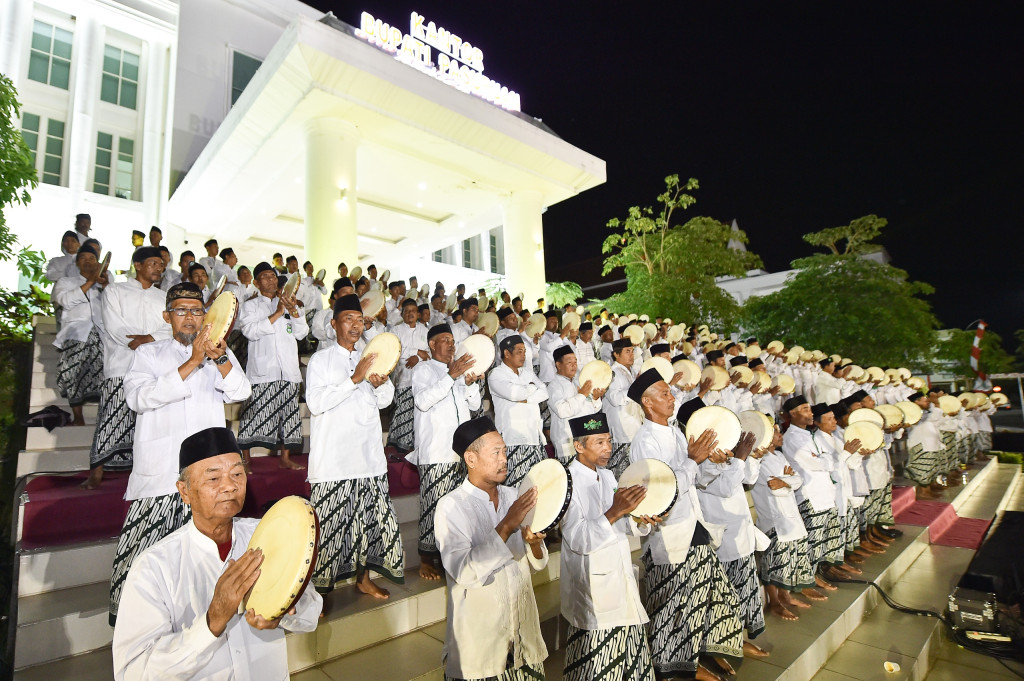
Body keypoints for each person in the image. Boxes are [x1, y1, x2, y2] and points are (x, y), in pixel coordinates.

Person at [112, 427, 320, 679]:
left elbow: (311, 615)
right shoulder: (154, 568)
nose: (230, 486)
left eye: (237, 474)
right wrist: (212, 621)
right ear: (184, 491)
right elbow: (133, 673)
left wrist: (285, 610)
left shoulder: (266, 535)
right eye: (213, 478)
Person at [110, 282, 251, 626]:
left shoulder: (220, 353)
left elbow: (241, 390)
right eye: (181, 311)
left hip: (207, 481)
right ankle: (141, 631)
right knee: (145, 561)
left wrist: (217, 357)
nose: (190, 318)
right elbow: (138, 399)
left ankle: (204, 627)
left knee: (201, 567)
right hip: (160, 479)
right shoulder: (149, 354)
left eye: (197, 310)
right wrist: (192, 362)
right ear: (167, 316)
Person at [628, 372, 744, 681]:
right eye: (664, 394)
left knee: (709, 594)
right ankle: (674, 667)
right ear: (647, 402)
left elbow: (697, 480)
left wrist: (712, 462)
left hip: (693, 520)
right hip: (669, 532)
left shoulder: (678, 433)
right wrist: (693, 461)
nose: (672, 398)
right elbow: (660, 490)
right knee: (676, 605)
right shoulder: (644, 441)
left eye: (670, 392)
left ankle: (699, 655)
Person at [434, 417, 549, 680]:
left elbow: (537, 562)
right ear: (471, 459)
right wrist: (507, 524)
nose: (504, 459)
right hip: (480, 643)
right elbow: (464, 572)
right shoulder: (451, 507)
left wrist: (534, 543)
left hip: (523, 633)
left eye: (505, 451)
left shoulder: (513, 496)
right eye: (495, 452)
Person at [306, 293, 404, 600]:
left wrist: (380, 382)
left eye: (359, 320)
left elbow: (386, 401)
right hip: (333, 461)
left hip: (368, 456)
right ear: (334, 324)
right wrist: (355, 378)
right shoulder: (321, 360)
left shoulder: (372, 355)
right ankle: (318, 590)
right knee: (329, 530)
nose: (355, 326)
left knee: (367, 524)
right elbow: (316, 403)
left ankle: (364, 578)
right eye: (348, 319)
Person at [560, 412, 657, 681]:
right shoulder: (566, 482)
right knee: (599, 667)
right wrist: (615, 511)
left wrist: (640, 518)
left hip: (620, 577)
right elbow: (578, 539)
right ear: (579, 446)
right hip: (593, 587)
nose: (608, 449)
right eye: (599, 442)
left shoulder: (609, 476)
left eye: (609, 441)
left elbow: (625, 524)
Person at [84, 247, 169, 490]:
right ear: (138, 265)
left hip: (153, 368)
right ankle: (96, 473)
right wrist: (137, 340)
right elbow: (113, 325)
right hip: (121, 364)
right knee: (111, 418)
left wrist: (148, 338)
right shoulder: (115, 290)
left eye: (161, 265)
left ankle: (145, 470)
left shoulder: (163, 297)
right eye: (153, 263)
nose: (159, 268)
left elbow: (170, 329)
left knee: (150, 421)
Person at [407, 323, 482, 580]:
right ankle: (426, 558)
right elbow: (423, 401)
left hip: (460, 454)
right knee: (433, 507)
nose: (451, 344)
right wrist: (451, 376)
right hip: (436, 452)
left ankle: (453, 554)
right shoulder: (423, 370)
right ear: (431, 344)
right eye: (445, 339)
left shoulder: (458, 372)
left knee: (457, 507)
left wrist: (470, 382)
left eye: (452, 340)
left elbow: (474, 405)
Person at [235, 262, 308, 471]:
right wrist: (277, 312)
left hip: (288, 371)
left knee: (290, 417)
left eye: (273, 276)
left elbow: (302, 333)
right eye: (265, 277)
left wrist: (294, 311)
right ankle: (246, 460)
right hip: (263, 372)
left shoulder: (288, 302)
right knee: (252, 414)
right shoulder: (250, 306)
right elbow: (250, 331)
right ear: (257, 283)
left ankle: (285, 458)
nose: (271, 280)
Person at [751, 423, 817, 621]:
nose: (780, 435)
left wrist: (786, 481)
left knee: (785, 562)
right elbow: (774, 485)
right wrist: (787, 480)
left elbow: (797, 480)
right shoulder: (758, 461)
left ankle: (785, 596)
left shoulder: (779, 456)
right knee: (772, 563)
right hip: (773, 519)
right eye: (776, 432)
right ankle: (774, 602)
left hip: (789, 515)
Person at [781, 396, 843, 592]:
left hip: (824, 493)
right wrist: (824, 460)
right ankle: (806, 582)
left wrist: (823, 459)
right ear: (793, 414)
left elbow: (827, 460)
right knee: (812, 542)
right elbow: (817, 463)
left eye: (810, 409)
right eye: (806, 409)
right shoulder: (792, 438)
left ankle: (818, 574)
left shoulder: (809, 435)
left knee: (824, 539)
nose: (811, 413)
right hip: (810, 496)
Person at [51, 245, 107, 425]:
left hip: (101, 333)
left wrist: (105, 286)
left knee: (104, 373)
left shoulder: (105, 283)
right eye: (83, 258)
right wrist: (90, 281)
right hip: (74, 333)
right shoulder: (65, 282)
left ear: (98, 262)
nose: (88, 261)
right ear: (76, 262)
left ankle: (104, 417)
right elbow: (65, 301)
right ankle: (78, 417)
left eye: (92, 258)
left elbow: (116, 307)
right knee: (70, 371)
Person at [487, 335, 548, 488]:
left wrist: (527, 398)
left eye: (525, 351)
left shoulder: (527, 373)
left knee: (538, 487)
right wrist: (533, 387)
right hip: (514, 440)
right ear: (507, 354)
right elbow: (514, 394)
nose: (524, 355)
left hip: (535, 438)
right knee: (517, 489)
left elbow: (545, 392)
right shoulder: (496, 374)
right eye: (519, 351)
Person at [546, 346, 604, 464]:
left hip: (586, 439)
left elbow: (591, 410)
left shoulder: (579, 381)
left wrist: (595, 399)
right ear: (558, 365)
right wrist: (582, 394)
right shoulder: (554, 386)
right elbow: (562, 411)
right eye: (569, 362)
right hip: (567, 442)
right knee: (572, 479)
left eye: (575, 362)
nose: (574, 365)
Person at [387, 297, 428, 453]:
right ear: (402, 314)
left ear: (418, 314)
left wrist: (418, 357)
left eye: (413, 311)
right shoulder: (395, 331)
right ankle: (400, 447)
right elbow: (393, 349)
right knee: (402, 414)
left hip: (422, 381)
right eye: (407, 311)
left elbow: (430, 352)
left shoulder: (425, 331)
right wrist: (417, 352)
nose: (410, 314)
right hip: (403, 379)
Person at [604, 338, 641, 477]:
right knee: (619, 474)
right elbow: (615, 398)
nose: (631, 355)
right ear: (616, 354)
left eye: (632, 351)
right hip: (621, 430)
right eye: (627, 351)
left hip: (633, 427)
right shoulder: (611, 373)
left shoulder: (629, 371)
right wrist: (637, 385)